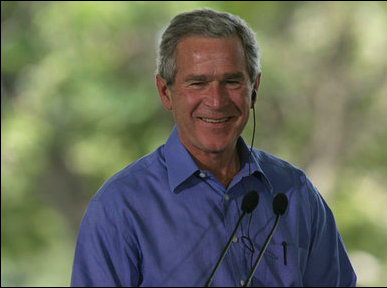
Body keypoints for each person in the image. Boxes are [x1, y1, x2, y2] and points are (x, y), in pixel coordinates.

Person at [71, 8, 357, 287]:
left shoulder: (295, 193)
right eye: (198, 83)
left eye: (232, 81)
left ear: (254, 89)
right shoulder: (119, 208)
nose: (217, 101)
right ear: (165, 92)